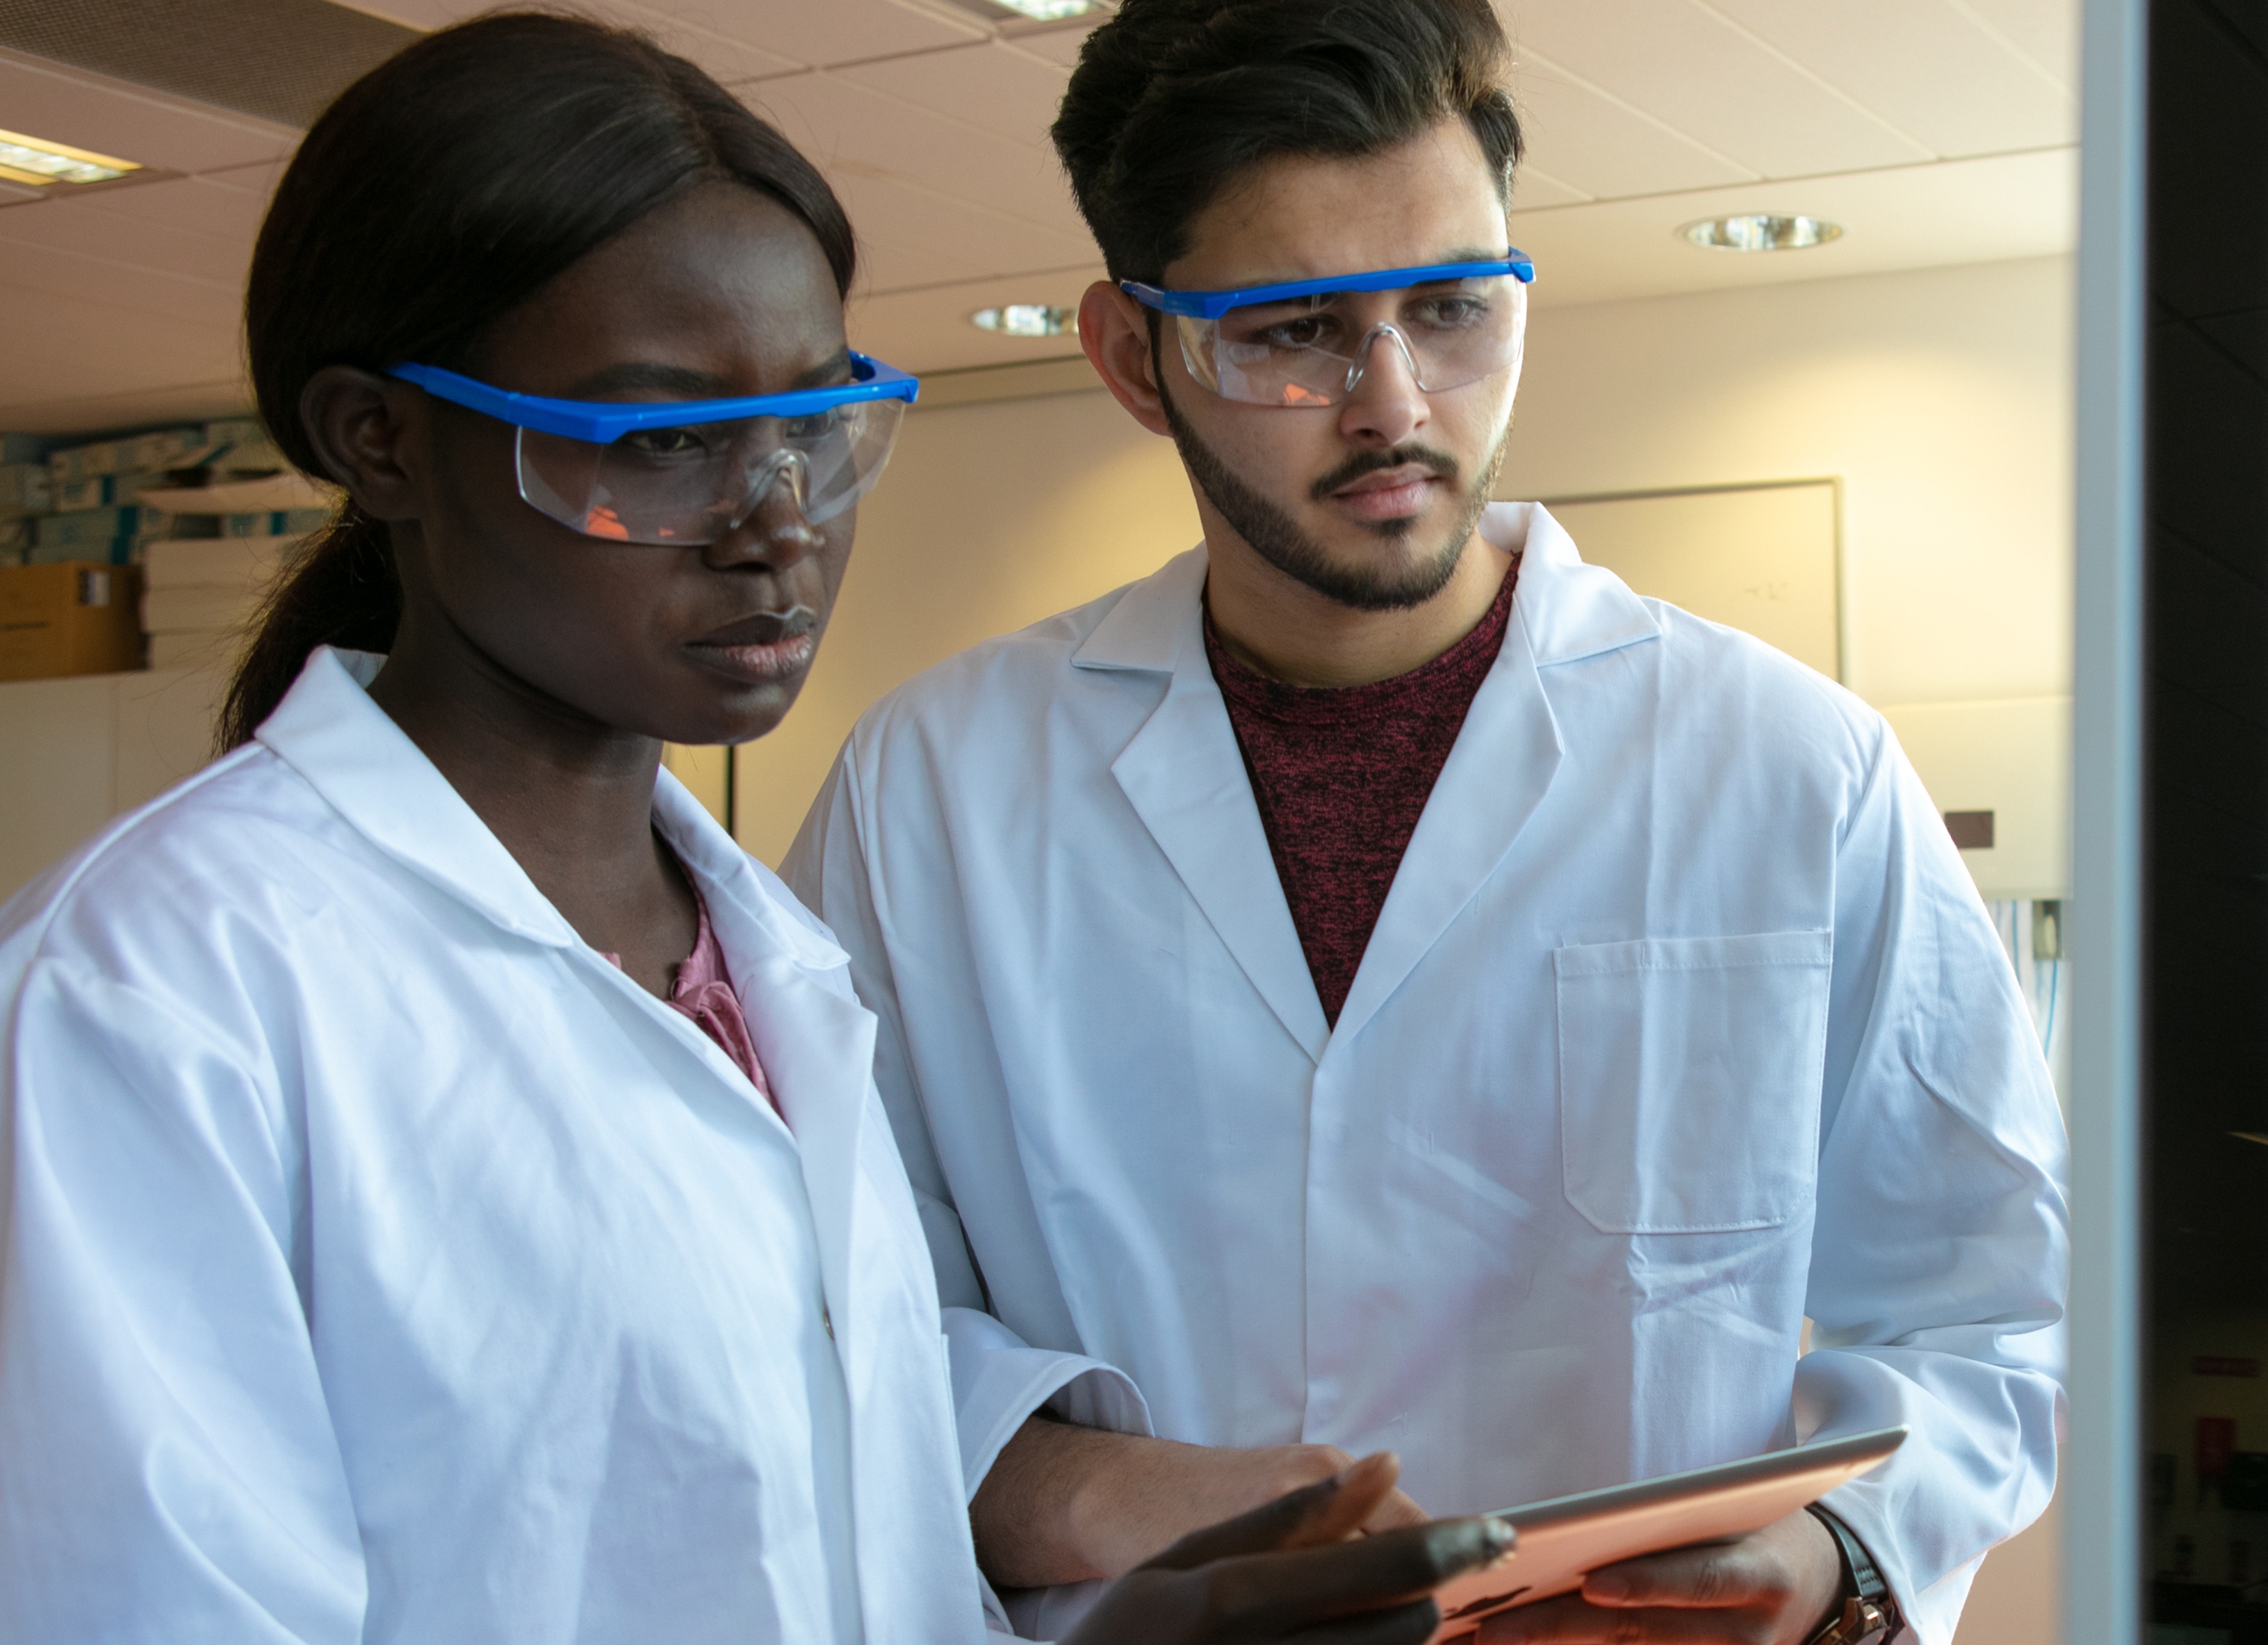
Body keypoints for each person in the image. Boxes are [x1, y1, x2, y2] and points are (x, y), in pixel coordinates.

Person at [0, 16, 1509, 1642]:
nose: (776, 523)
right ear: (381, 438)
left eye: (816, 425)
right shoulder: (151, 995)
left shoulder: (760, 959)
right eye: (660, 443)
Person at [781, 1, 2069, 1639]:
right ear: (1131, 355)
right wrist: (1094, 1489)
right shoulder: (933, 791)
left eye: (1454, 308)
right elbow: (814, 1297)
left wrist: (1834, 1551)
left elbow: (1994, 1314)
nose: (1395, 402)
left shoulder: (1792, 771)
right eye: (1294, 331)